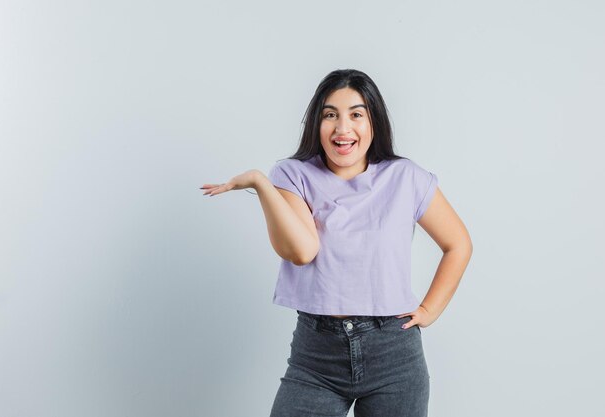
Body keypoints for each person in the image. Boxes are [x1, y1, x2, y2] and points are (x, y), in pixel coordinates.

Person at [200, 69, 473, 417]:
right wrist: (260, 183)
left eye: (356, 114)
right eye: (330, 115)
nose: (343, 128)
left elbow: (458, 244)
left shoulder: (406, 177)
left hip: (394, 353)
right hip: (316, 356)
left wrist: (429, 310)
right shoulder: (292, 174)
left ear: (374, 121)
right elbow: (301, 251)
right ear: (317, 122)